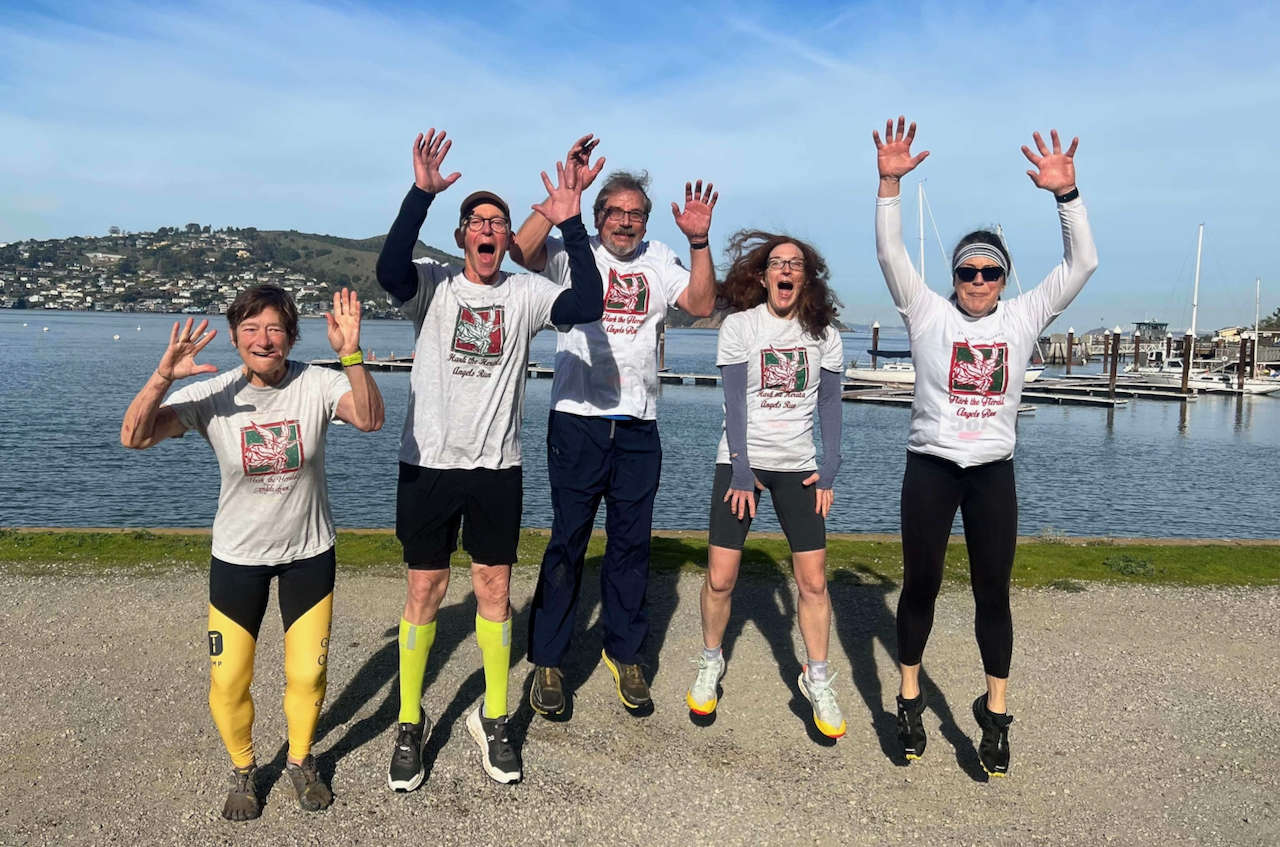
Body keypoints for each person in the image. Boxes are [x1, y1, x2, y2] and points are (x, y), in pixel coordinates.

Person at [376, 129, 604, 790]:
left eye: (498, 223)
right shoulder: (434, 285)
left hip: (496, 467)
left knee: (494, 588)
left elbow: (587, 303)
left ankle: (495, 715)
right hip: (427, 462)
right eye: (477, 221)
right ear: (460, 236)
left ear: (507, 240)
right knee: (424, 588)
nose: (488, 230)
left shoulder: (526, 293)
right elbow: (389, 270)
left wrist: (572, 220)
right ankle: (409, 721)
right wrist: (420, 193)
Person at [872, 116, 1098, 776]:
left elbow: (1082, 262)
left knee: (993, 592)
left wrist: (1067, 197)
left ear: (1004, 278)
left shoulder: (1024, 315)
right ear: (954, 276)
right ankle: (909, 698)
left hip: (992, 473)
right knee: (922, 584)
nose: (977, 280)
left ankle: (995, 716)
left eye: (989, 271)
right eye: (967, 270)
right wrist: (889, 182)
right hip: (932, 468)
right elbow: (890, 254)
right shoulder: (926, 311)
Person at [120, 286, 385, 821]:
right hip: (238, 556)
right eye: (251, 329)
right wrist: (164, 377)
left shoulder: (317, 381)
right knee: (228, 678)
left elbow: (370, 419)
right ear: (237, 336)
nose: (264, 340)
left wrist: (351, 354)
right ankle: (244, 768)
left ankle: (300, 760)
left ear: (290, 336)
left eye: (275, 329)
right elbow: (135, 437)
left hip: (308, 552)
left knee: (307, 675)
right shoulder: (215, 393)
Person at [511, 134, 718, 715]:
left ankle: (624, 653)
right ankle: (548, 661)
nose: (624, 223)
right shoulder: (571, 252)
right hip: (576, 421)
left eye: (634, 214)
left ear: (646, 221)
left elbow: (702, 304)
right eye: (614, 213)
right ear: (597, 216)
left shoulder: (659, 260)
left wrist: (699, 242)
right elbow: (520, 254)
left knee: (630, 546)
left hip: (637, 426)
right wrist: (557, 201)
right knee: (566, 543)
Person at [685, 230, 846, 738]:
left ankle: (816, 677)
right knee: (720, 577)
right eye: (778, 263)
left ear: (806, 278)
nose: (787, 271)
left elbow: (830, 405)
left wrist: (832, 465)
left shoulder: (825, 335)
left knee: (814, 581)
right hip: (740, 465)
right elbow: (733, 403)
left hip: (799, 466)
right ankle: (711, 662)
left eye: (796, 265)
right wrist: (740, 469)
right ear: (762, 275)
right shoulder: (739, 327)